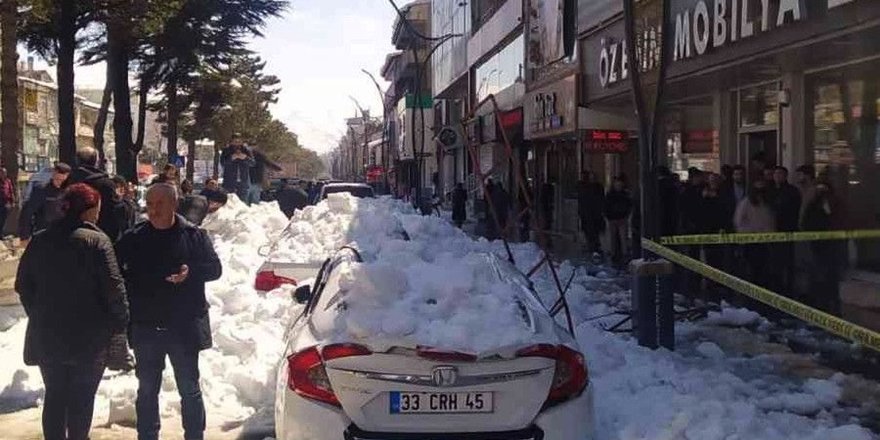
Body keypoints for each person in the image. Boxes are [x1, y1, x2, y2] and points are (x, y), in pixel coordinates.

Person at [16, 183, 129, 440]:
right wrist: (119, 325)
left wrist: (39, 313)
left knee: (55, 396)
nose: (99, 214)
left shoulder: (41, 239)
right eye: (97, 209)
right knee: (81, 398)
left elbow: (23, 285)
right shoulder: (98, 241)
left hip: (48, 334)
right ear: (88, 211)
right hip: (90, 338)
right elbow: (115, 290)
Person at [116, 183, 222, 440]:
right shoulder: (134, 237)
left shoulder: (194, 235)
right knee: (147, 389)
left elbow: (215, 269)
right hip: (147, 326)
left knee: (189, 388)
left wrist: (191, 273)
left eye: (159, 204)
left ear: (174, 204)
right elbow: (117, 273)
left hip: (183, 326)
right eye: (150, 204)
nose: (152, 210)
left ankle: (195, 435)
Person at [802, 181, 841, 314]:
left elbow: (838, 220)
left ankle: (830, 301)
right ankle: (818, 301)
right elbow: (805, 223)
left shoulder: (834, 204)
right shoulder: (812, 206)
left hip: (833, 244)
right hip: (817, 245)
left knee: (831, 275)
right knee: (818, 273)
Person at [70, 147, 125, 242]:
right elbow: (115, 212)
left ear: (77, 160)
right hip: (102, 235)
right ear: (96, 162)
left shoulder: (68, 182)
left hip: (70, 236)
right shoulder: (107, 184)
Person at [735, 181, 776, 290]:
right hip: (750, 242)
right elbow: (739, 222)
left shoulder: (767, 204)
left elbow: (770, 221)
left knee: (764, 268)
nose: (760, 193)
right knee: (751, 269)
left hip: (765, 241)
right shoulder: (745, 203)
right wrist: (752, 233)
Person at [18, 163, 71, 244]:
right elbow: (27, 213)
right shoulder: (41, 190)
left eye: (62, 180)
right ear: (53, 174)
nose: (59, 183)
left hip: (63, 234)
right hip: (43, 233)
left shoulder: (69, 191)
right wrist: (25, 236)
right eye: (57, 179)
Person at [604, 175, 633, 266]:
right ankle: (617, 254)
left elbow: (629, 205)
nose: (618, 186)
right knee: (616, 237)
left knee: (621, 237)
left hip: (620, 218)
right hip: (615, 218)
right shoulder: (621, 194)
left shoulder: (614, 194)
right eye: (617, 184)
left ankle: (621, 254)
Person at [220, 134, 256, 203]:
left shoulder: (246, 151)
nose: (237, 143)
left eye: (239, 141)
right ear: (231, 141)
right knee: (229, 204)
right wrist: (231, 158)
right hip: (229, 183)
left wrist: (245, 157)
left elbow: (253, 163)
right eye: (235, 141)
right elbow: (223, 163)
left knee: (242, 204)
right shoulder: (226, 150)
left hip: (243, 183)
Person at [577, 171, 605, 255]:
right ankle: (592, 246)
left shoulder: (597, 188)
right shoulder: (584, 187)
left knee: (594, 231)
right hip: (587, 214)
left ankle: (594, 246)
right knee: (589, 231)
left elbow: (601, 200)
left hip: (595, 214)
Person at [795, 164, 817, 229]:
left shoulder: (813, 190)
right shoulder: (800, 189)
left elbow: (804, 208)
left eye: (799, 175)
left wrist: (800, 223)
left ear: (807, 176)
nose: (797, 177)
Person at [0, 168, 14, 233]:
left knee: (4, 219)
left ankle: (1, 233)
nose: (3, 174)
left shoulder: (8, 181)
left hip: (6, 203)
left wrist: (12, 202)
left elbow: (11, 191)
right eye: (2, 172)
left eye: (4, 172)